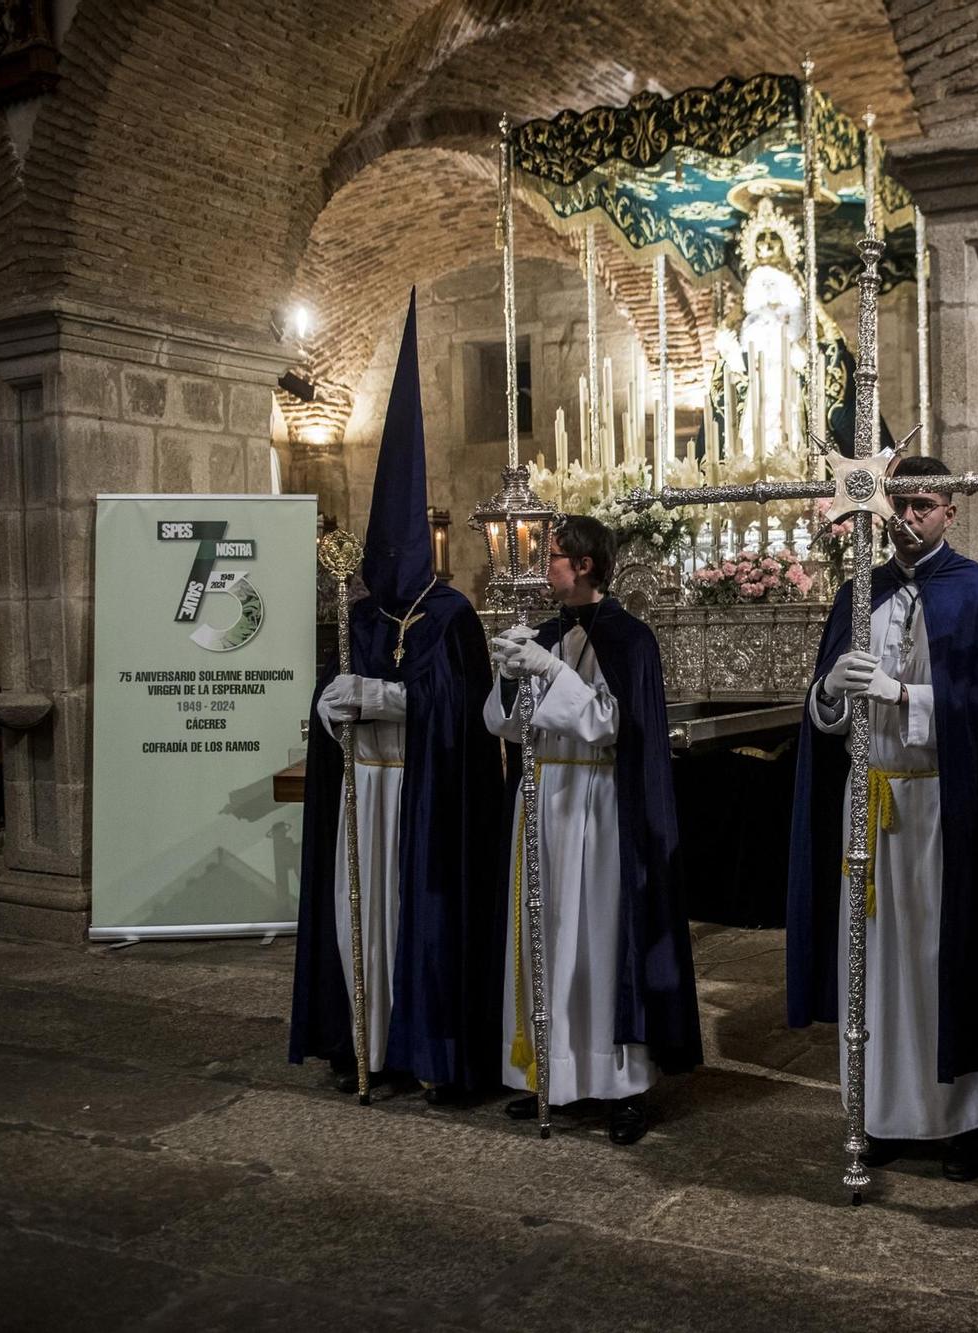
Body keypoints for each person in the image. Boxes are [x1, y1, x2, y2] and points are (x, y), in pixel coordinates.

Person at [788, 454, 978, 1183]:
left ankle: (963, 1120)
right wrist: (828, 692)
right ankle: (876, 1112)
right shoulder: (859, 594)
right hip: (870, 803)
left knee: (944, 962)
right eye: (900, 504)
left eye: (925, 505)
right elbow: (822, 719)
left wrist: (905, 696)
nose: (910, 518)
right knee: (874, 965)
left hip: (949, 807)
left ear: (951, 511)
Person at [290, 293, 505, 1102]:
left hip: (421, 801)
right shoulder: (356, 614)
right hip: (359, 792)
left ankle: (427, 1046)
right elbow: (324, 698)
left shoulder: (449, 616)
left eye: (397, 545)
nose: (386, 562)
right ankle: (359, 1039)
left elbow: (458, 711)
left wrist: (383, 697)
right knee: (359, 924)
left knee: (415, 923)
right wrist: (329, 702)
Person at [483, 515, 701, 1145]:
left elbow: (609, 722)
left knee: (601, 939)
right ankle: (547, 1073)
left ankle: (621, 1087)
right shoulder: (545, 632)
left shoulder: (631, 638)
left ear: (582, 562)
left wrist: (550, 673)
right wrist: (507, 672)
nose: (543, 565)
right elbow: (504, 724)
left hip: (600, 804)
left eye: (552, 555)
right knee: (545, 936)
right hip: (543, 797)